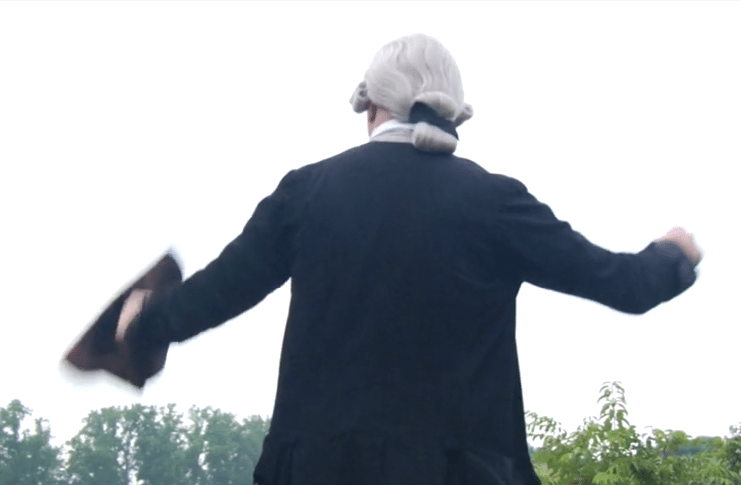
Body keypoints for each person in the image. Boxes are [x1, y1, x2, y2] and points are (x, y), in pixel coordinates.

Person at [116, 33, 701, 485]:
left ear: (371, 105)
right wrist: (672, 255)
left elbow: (219, 293)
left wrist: (145, 318)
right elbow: (622, 284)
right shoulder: (495, 202)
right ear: (454, 109)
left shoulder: (307, 194)